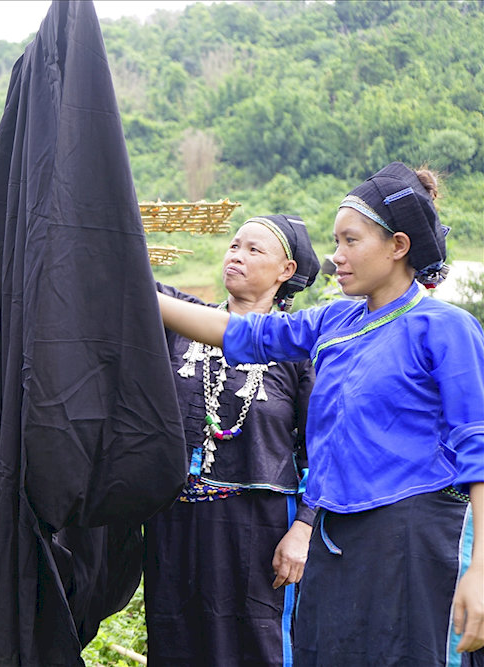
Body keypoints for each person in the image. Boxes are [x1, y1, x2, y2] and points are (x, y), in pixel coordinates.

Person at [157, 162, 484, 665]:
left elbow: (477, 447)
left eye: (351, 242)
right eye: (335, 242)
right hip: (337, 540)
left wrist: (481, 569)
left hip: (416, 538)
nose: (335, 258)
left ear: (398, 246)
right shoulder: (335, 321)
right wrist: (141, 295)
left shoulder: (444, 328)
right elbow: (242, 335)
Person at [144, 214, 320, 666]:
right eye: (234, 245)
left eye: (254, 250)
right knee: (176, 640)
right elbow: (129, 279)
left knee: (256, 645)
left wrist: (303, 528)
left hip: (260, 526)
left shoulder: (298, 347)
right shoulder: (182, 323)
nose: (236, 256)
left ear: (286, 270)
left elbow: (325, 445)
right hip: (176, 519)